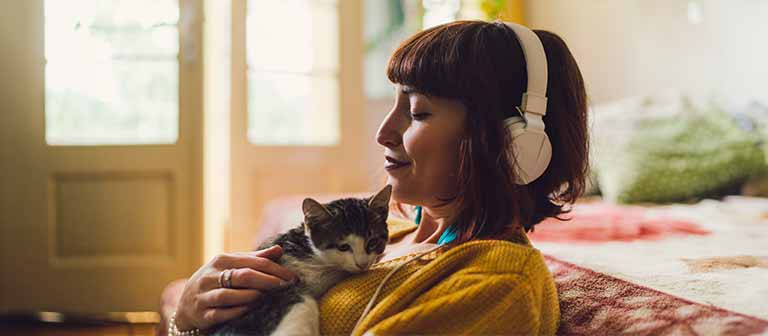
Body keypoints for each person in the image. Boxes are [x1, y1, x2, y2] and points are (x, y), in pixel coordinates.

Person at [168, 19, 588, 335]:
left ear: (512, 143)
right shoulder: (398, 234)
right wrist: (185, 319)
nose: (383, 132)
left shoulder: (498, 283)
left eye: (418, 112)